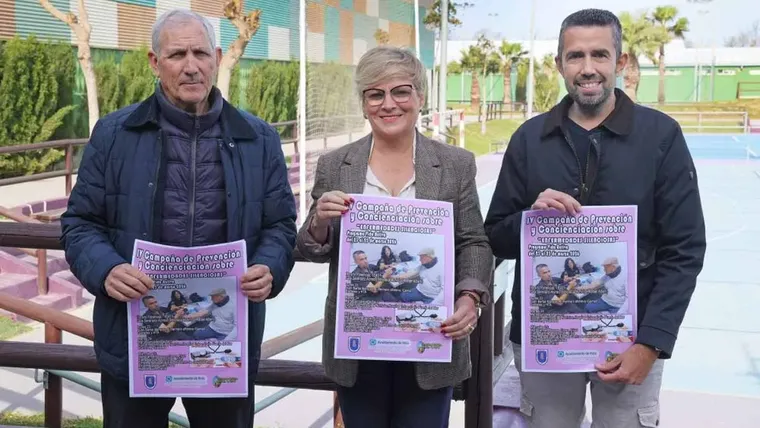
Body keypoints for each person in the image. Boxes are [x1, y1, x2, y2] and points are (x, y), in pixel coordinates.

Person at [59, 8, 297, 428]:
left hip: (223, 342)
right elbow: (79, 223)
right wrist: (107, 269)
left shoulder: (258, 138)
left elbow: (280, 225)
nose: (191, 66)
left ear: (217, 58)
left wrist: (269, 267)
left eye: (201, 53)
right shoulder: (114, 134)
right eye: (177, 55)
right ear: (155, 62)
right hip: (134, 339)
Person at [483, 8, 706, 428]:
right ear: (559, 64)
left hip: (630, 341)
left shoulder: (661, 137)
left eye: (600, 55)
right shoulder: (529, 138)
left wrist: (652, 343)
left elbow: (685, 249)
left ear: (620, 61)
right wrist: (530, 219)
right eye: (575, 56)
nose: (588, 68)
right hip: (545, 339)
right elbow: (495, 236)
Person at [294, 45, 493, 428]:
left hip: (430, 340)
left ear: (420, 97)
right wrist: (319, 220)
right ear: (363, 103)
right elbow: (309, 247)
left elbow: (474, 241)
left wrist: (469, 296)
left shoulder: (455, 164)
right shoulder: (336, 165)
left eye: (401, 91)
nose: (388, 104)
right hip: (358, 346)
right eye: (375, 94)